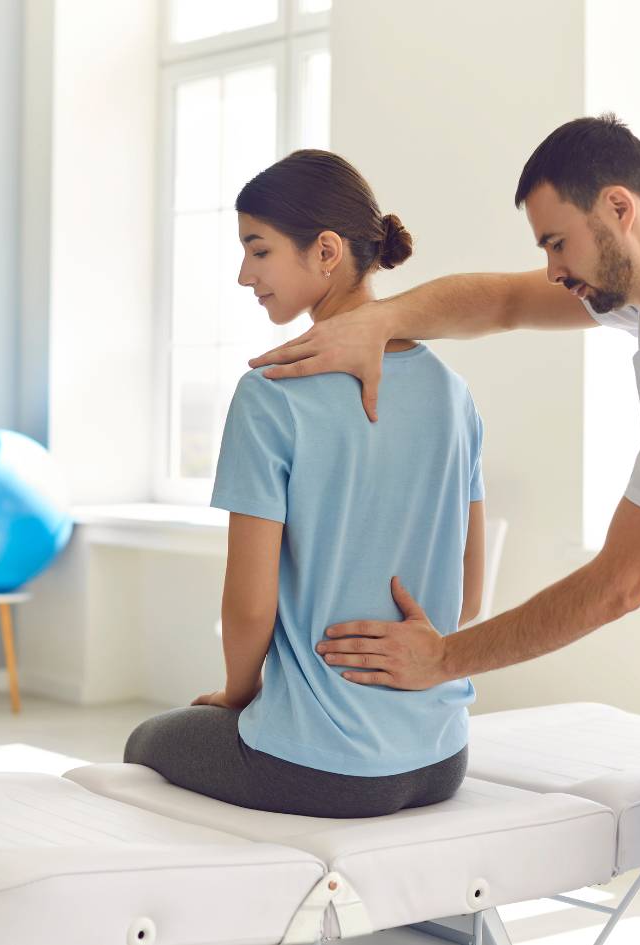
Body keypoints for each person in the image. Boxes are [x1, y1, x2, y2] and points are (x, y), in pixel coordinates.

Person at [251, 115, 640, 944]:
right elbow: (509, 301)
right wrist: (379, 321)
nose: (551, 269)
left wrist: (442, 657)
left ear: (619, 209)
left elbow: (617, 586)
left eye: (557, 243)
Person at [124, 149, 486, 818]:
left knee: (147, 740)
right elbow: (469, 592)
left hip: (320, 767)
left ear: (324, 251)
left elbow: (249, 605)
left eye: (257, 250)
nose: (243, 274)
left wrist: (236, 695)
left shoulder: (271, 393)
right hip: (441, 756)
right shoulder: (452, 392)